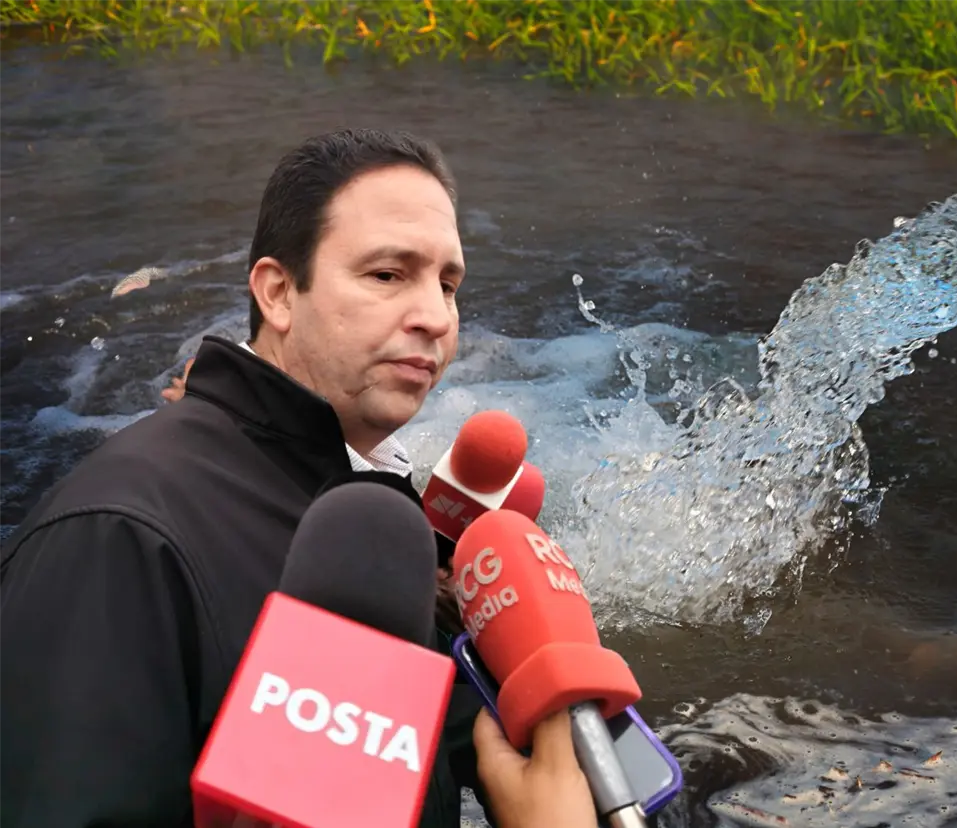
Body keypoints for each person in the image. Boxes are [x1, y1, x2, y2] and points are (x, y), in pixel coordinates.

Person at [0, 128, 595, 828]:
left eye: (448, 283)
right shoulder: (115, 540)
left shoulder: (370, 526)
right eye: (386, 275)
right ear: (278, 294)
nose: (436, 317)